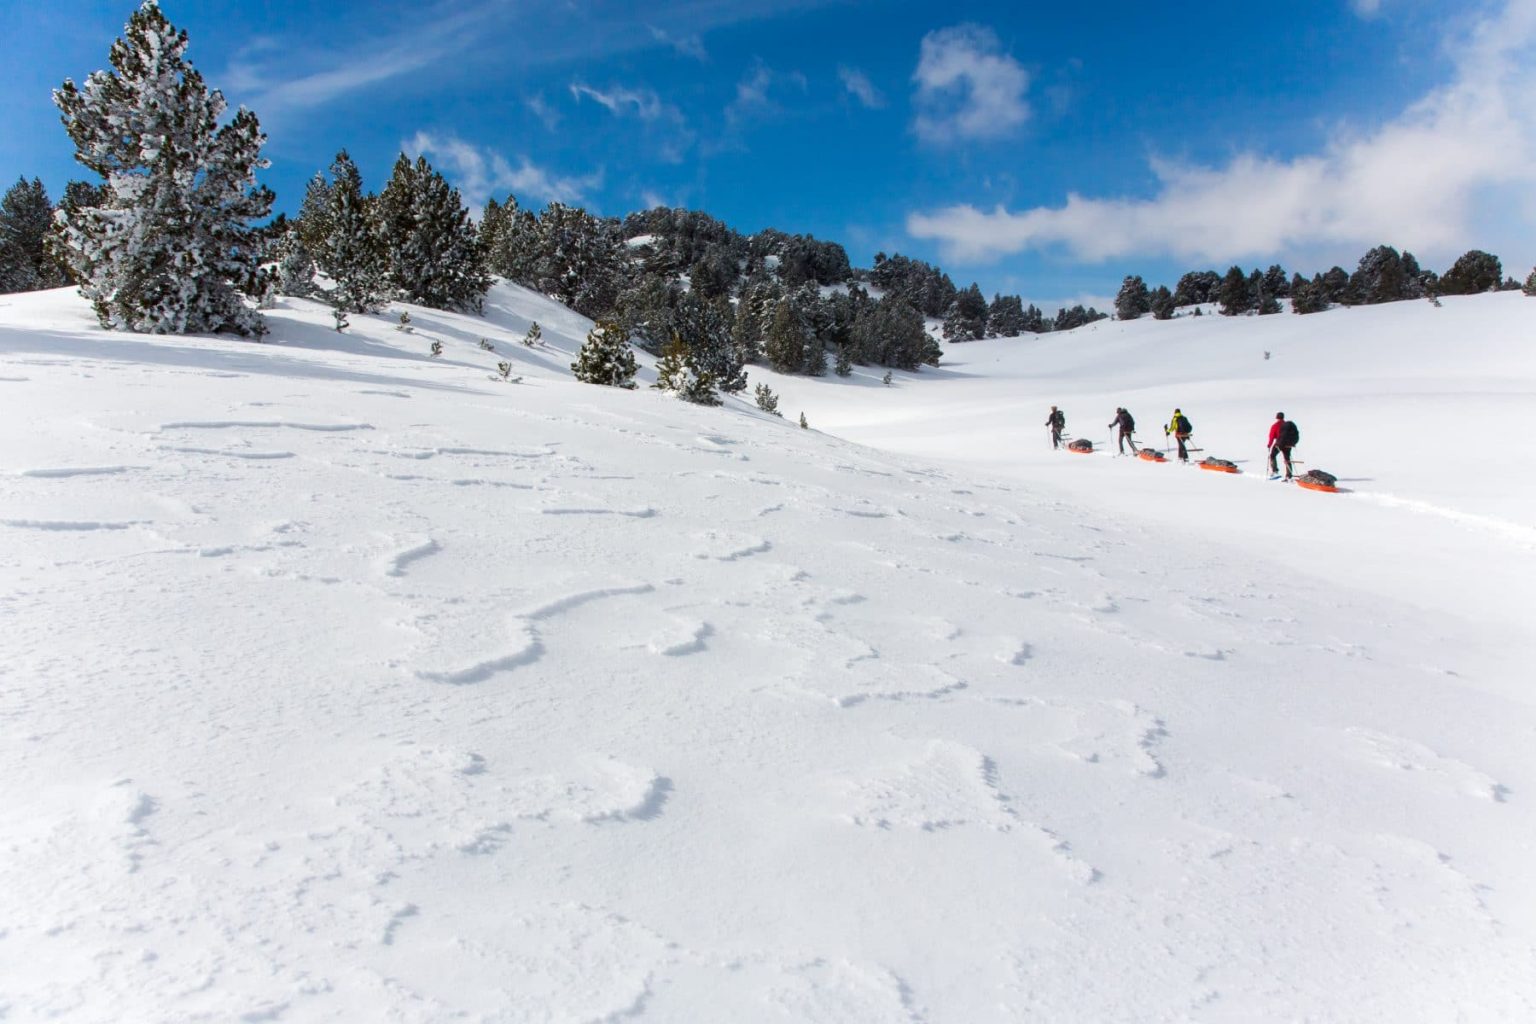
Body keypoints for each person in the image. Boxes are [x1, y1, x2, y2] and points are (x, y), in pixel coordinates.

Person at [1267, 411, 1299, 479]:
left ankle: (1275, 471)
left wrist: (1269, 445)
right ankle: (1289, 475)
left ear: (1277, 417)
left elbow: (1271, 436)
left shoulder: (1275, 426)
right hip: (1289, 444)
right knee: (1287, 458)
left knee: (1272, 455)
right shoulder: (1287, 425)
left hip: (1280, 443)